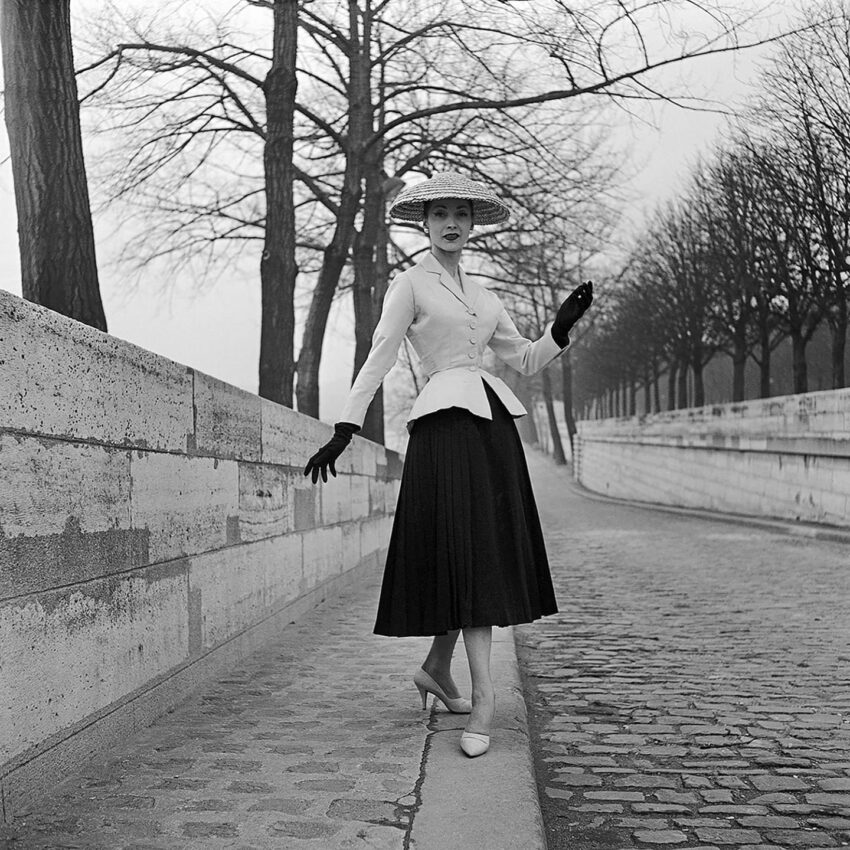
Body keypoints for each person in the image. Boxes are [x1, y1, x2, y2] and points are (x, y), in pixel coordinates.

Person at [304, 171, 592, 758]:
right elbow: (379, 355)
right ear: (424, 222)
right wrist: (345, 426)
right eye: (440, 214)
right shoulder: (409, 285)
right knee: (468, 552)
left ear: (472, 224)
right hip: (442, 425)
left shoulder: (485, 297)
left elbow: (527, 359)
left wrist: (561, 327)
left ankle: (439, 667)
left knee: (476, 550)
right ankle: (484, 699)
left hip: (491, 428)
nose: (452, 223)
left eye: (462, 214)